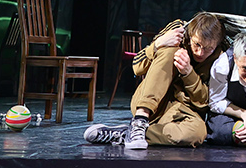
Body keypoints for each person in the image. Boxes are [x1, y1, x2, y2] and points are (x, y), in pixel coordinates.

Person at [84, 12, 224, 149]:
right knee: (170, 50)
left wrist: (189, 73)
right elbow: (137, 68)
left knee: (197, 133)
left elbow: (205, 102)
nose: (200, 52)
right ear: (191, 35)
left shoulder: (220, 58)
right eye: (197, 44)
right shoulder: (177, 30)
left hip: (182, 113)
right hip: (150, 102)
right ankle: (139, 121)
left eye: (208, 49)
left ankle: (125, 134)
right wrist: (157, 44)